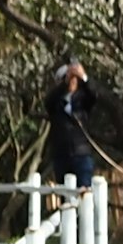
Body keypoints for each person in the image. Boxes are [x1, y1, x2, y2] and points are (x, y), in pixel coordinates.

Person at [44, 59, 99, 189]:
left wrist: (83, 76)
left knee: (84, 194)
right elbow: (48, 102)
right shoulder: (55, 102)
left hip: (81, 154)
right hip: (61, 155)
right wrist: (64, 85)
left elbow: (94, 95)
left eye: (74, 78)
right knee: (65, 195)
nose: (72, 81)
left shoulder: (83, 100)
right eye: (68, 78)